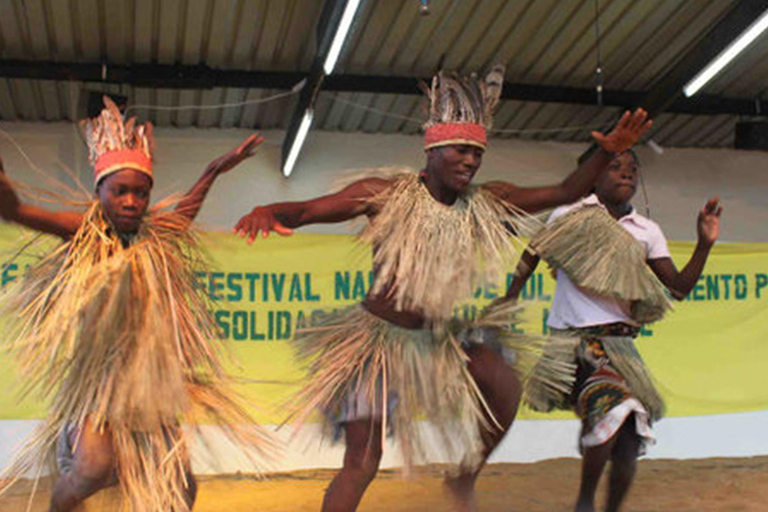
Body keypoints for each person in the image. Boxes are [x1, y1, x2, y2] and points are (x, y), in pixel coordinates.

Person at [234, 67, 652, 512]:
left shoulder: (487, 202)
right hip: (376, 345)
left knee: (502, 381)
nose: (471, 160)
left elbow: (566, 189)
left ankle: (463, 475)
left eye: (477, 152)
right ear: (432, 149)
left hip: (437, 341)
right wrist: (269, 208)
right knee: (362, 461)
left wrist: (606, 155)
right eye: (461, 150)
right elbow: (308, 209)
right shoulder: (389, 195)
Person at [0, 97, 273, 512]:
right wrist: (6, 194)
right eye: (120, 191)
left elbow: (184, 214)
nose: (131, 201)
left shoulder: (155, 235)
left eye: (141, 193)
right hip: (100, 382)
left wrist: (213, 170)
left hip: (151, 381)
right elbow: (18, 211)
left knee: (181, 488)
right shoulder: (83, 232)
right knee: (93, 469)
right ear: (100, 191)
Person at [506, 149, 722, 512]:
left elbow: (679, 288)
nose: (626, 174)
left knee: (629, 441)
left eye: (632, 169)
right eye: (615, 167)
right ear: (593, 176)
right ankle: (585, 503)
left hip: (620, 347)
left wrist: (703, 244)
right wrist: (508, 298)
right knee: (616, 406)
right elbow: (532, 254)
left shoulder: (646, 231)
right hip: (573, 345)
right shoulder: (570, 215)